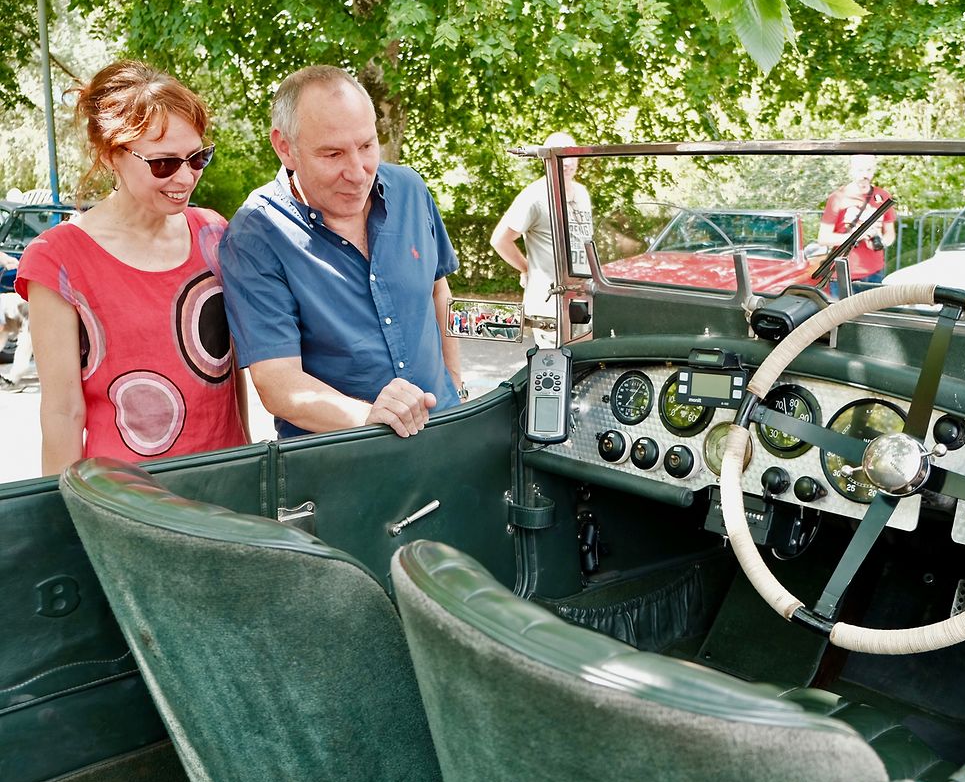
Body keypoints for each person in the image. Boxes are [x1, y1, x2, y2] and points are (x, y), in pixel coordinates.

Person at [14, 60, 249, 475]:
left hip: (226, 486)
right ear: (111, 155)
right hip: (126, 500)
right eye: (163, 163)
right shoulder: (58, 258)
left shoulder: (213, 232)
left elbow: (230, 377)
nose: (185, 177)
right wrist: (58, 524)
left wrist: (248, 463)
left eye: (196, 158)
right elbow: (63, 413)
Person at [219, 66, 463, 440]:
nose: (357, 172)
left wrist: (456, 387)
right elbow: (279, 385)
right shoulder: (256, 235)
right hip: (342, 462)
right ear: (285, 147)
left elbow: (438, 293)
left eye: (366, 146)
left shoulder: (411, 189)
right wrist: (370, 416)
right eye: (333, 154)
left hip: (445, 434)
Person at [490, 132, 593, 347]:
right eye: (558, 155)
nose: (566, 162)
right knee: (556, 371)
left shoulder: (582, 193)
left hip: (583, 303)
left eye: (570, 154)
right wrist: (526, 268)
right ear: (546, 159)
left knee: (587, 369)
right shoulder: (535, 196)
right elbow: (500, 240)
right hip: (550, 307)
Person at [817, 154, 897, 289]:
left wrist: (881, 241)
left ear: (874, 170)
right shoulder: (837, 198)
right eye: (860, 170)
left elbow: (890, 234)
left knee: (872, 311)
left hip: (874, 273)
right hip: (843, 273)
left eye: (869, 170)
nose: (864, 175)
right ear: (851, 170)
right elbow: (823, 238)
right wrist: (855, 236)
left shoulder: (883, 196)